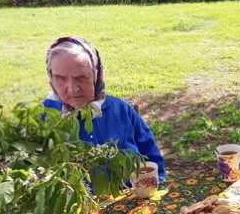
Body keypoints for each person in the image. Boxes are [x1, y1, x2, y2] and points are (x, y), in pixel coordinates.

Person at [43, 36, 165, 181]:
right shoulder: (43, 119)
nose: (72, 88)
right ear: (51, 77)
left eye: (81, 77)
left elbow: (152, 159)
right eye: (61, 78)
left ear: (96, 75)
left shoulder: (121, 110)